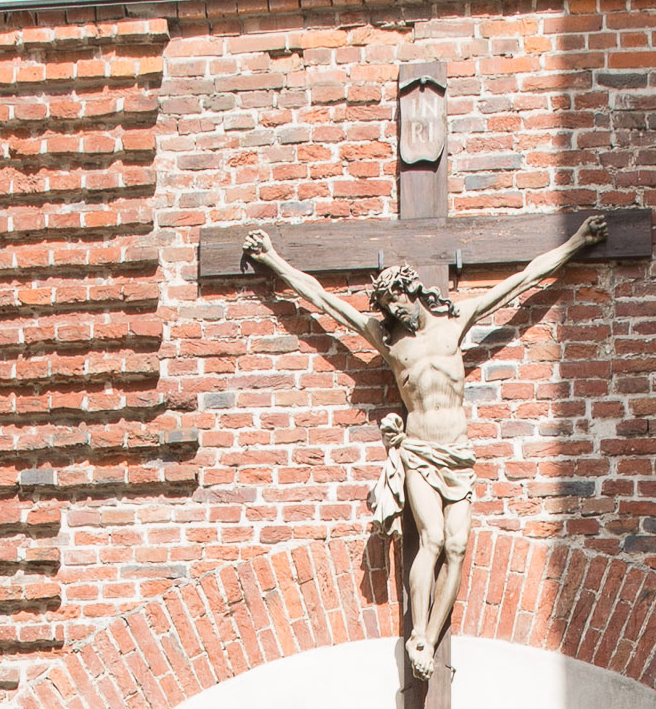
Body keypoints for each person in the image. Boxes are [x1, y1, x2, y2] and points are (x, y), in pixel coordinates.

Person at [239, 216, 607, 677]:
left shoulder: (457, 324)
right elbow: (323, 301)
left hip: (457, 453)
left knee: (457, 546)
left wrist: (575, 242)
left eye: (397, 304)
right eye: (388, 311)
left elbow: (523, 281)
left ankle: (431, 636)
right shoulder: (392, 344)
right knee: (430, 540)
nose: (396, 315)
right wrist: (273, 261)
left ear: (411, 291)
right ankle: (418, 639)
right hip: (419, 452)